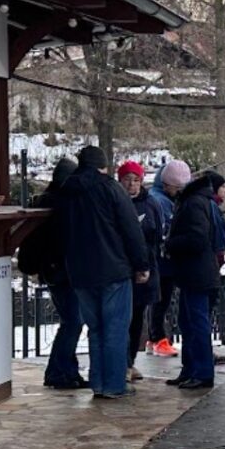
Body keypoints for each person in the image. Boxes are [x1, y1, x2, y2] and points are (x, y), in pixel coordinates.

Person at [59, 145, 149, 400]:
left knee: (96, 328)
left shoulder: (67, 191)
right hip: (113, 270)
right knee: (115, 329)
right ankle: (114, 384)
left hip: (80, 272)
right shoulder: (111, 189)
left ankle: (98, 382)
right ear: (103, 166)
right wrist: (141, 265)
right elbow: (131, 229)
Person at [19, 157, 86, 389]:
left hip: (55, 270)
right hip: (62, 270)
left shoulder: (48, 202)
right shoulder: (63, 204)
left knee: (71, 321)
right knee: (73, 321)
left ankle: (66, 371)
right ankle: (59, 372)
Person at [165, 171, 223, 389]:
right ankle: (191, 369)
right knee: (188, 322)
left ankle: (201, 372)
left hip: (196, 273)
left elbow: (197, 238)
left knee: (196, 324)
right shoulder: (201, 201)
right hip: (197, 272)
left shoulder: (193, 203)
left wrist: (170, 243)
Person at [117, 160, 163, 382]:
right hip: (123, 268)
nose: (132, 184)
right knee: (122, 319)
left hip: (145, 267)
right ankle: (122, 362)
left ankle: (131, 361)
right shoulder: (116, 202)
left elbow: (158, 234)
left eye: (136, 180)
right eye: (127, 180)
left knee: (137, 318)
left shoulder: (151, 203)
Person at [148, 160, 191, 357]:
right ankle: (158, 338)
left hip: (163, 259)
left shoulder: (160, 198)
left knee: (160, 300)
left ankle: (155, 337)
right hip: (163, 260)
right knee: (161, 300)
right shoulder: (161, 201)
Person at [201, 170, 225, 368]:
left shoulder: (211, 206)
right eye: (223, 187)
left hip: (211, 263)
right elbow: (219, 237)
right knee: (204, 311)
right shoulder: (211, 207)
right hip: (210, 264)